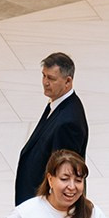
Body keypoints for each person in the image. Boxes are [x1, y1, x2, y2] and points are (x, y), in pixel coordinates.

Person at [15, 51, 88, 205]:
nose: (45, 82)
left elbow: (63, 172)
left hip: (43, 204)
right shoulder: (56, 104)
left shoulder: (69, 122)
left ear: (68, 81)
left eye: (51, 78)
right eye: (44, 76)